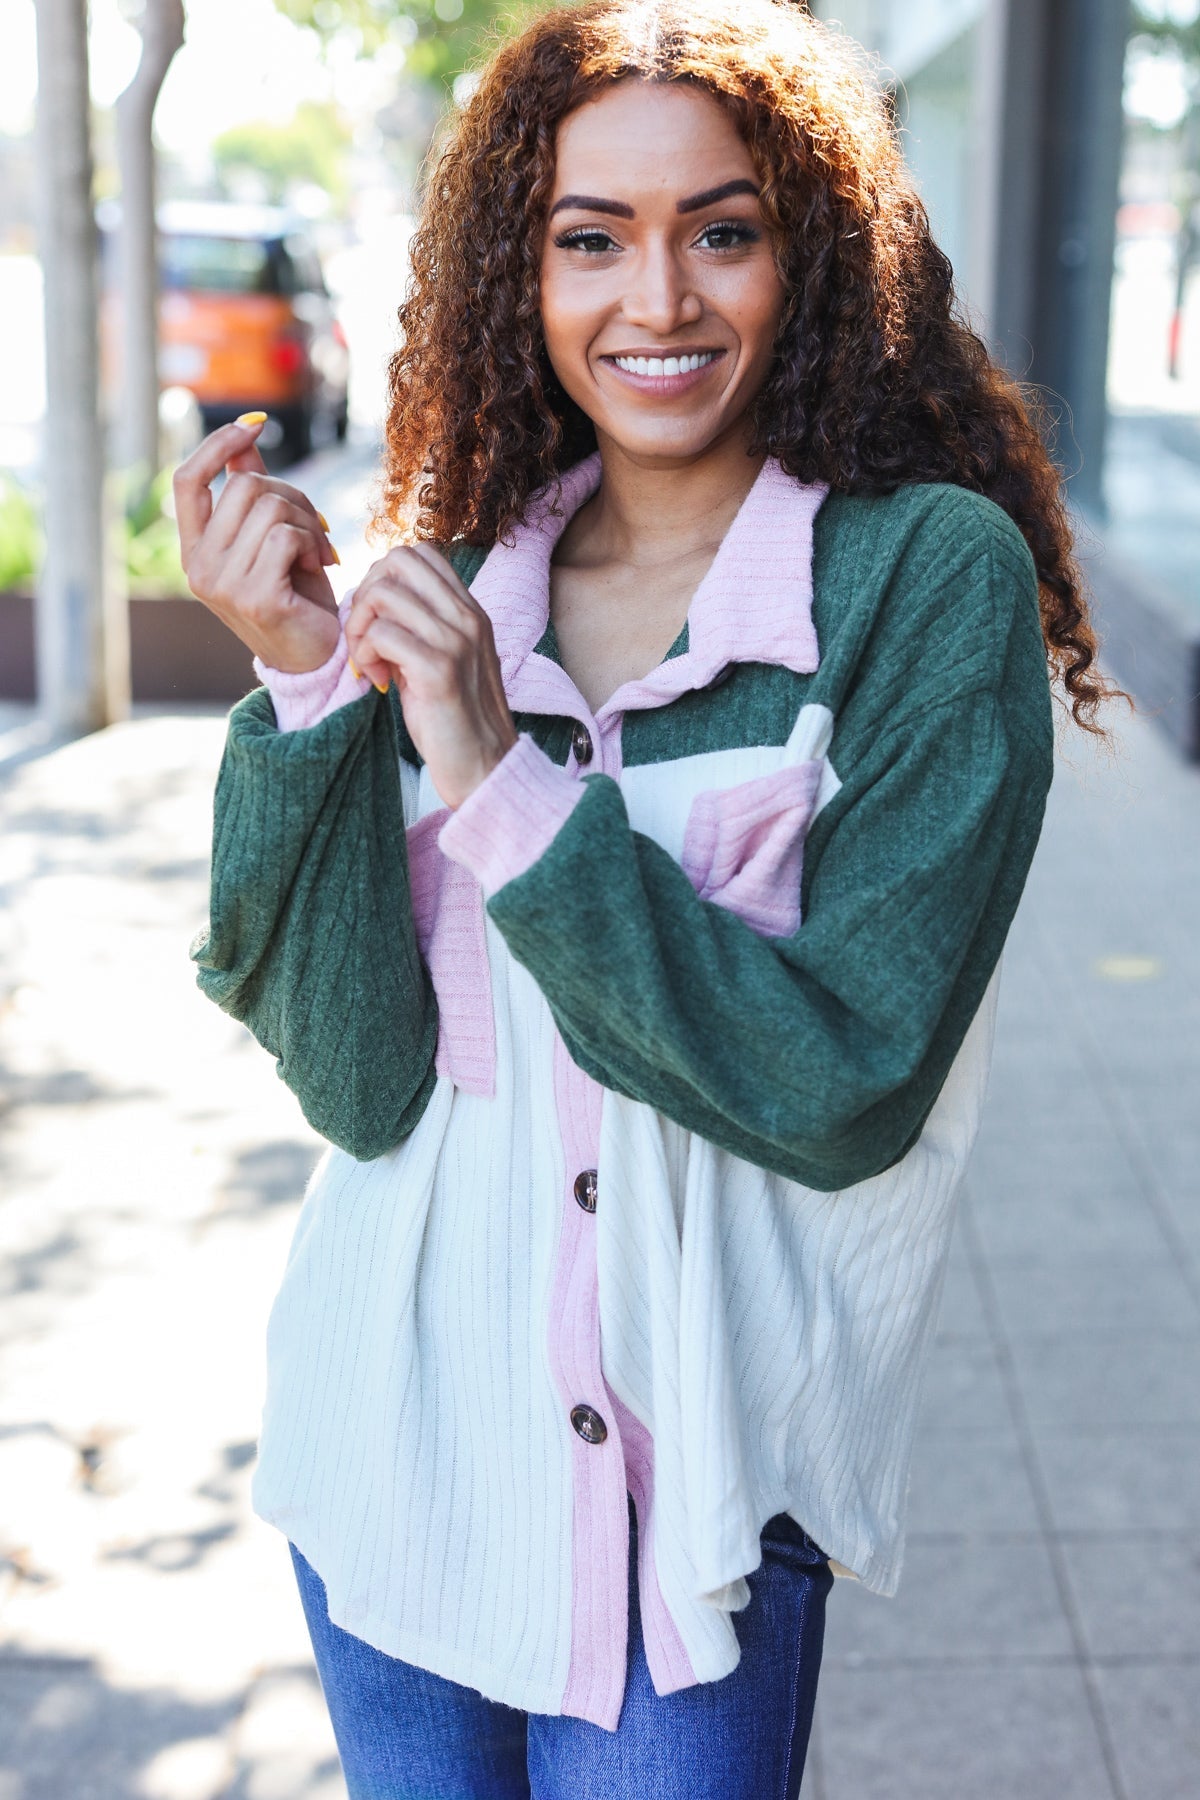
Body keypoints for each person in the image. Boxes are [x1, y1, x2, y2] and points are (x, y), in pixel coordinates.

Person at [176, 3, 1122, 1794]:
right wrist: (308, 680)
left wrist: (500, 776)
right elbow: (360, 1083)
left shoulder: (922, 579)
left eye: (726, 228)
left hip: (696, 1491)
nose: (659, 298)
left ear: (816, 254)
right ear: (520, 279)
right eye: (590, 238)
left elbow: (842, 1083)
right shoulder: (464, 585)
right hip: (397, 1445)